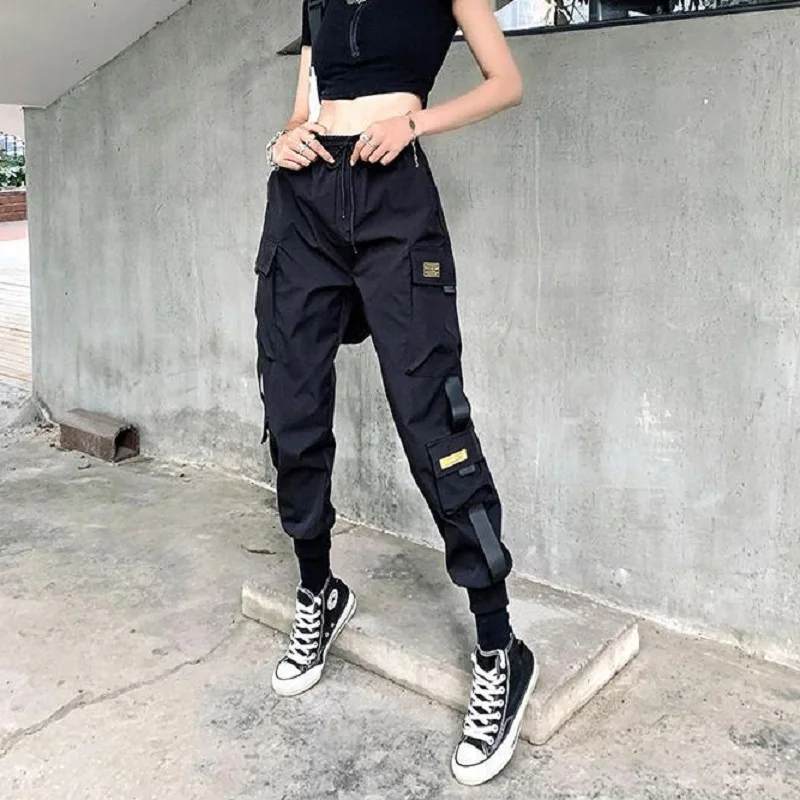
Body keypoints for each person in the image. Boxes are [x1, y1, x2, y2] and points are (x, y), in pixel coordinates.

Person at [254, 0, 537, 785]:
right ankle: (318, 591)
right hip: (303, 200)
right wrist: (284, 138)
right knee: (292, 408)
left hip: (393, 197)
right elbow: (306, 105)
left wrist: (415, 123)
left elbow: (505, 82)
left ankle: (499, 646)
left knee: (431, 421)